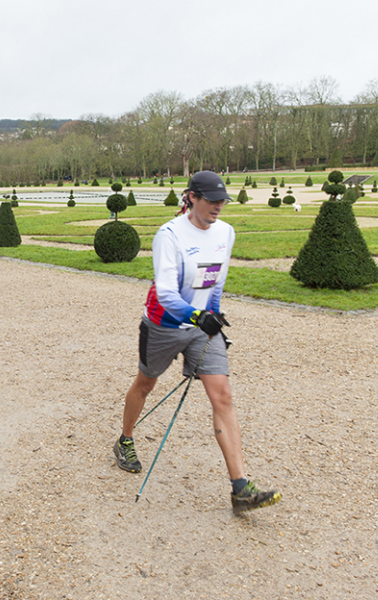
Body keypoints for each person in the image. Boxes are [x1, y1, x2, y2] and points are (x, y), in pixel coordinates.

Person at [113, 170, 281, 514]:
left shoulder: (225, 232)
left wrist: (214, 318)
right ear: (192, 197)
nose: (218, 206)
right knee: (145, 384)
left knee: (223, 395)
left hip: (202, 327)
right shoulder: (169, 235)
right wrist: (195, 316)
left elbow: (216, 281)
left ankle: (240, 488)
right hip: (164, 323)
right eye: (211, 200)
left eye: (222, 201)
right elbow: (166, 293)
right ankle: (125, 439)